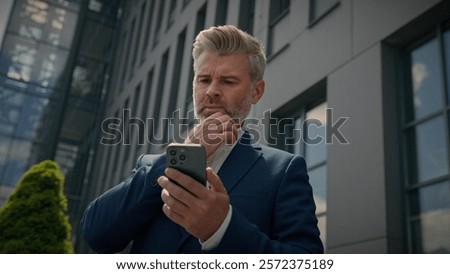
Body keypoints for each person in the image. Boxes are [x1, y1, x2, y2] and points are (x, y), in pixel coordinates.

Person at [80, 25, 323, 254]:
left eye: (228, 81)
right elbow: (96, 234)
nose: (211, 91)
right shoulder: (151, 166)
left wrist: (222, 228)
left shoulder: (283, 171)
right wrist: (182, 156)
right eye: (204, 80)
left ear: (256, 91)